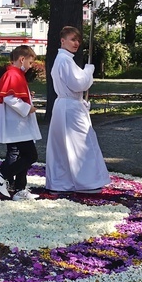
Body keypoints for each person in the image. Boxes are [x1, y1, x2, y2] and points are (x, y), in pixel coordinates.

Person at [45, 26, 110, 193]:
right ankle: (85, 181)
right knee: (81, 143)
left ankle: (64, 181)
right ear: (63, 40)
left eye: (78, 40)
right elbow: (78, 84)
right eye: (72, 39)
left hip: (66, 105)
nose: (76, 43)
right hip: (70, 107)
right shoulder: (65, 60)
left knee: (64, 146)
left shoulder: (64, 59)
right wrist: (89, 71)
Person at [0, 45, 41, 200]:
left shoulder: (14, 74)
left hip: (16, 122)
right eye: (30, 63)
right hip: (17, 123)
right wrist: (27, 108)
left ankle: (19, 188)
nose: (30, 67)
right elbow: (9, 97)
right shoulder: (13, 74)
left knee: (22, 155)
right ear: (22, 59)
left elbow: (13, 94)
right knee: (30, 155)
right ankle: (2, 175)